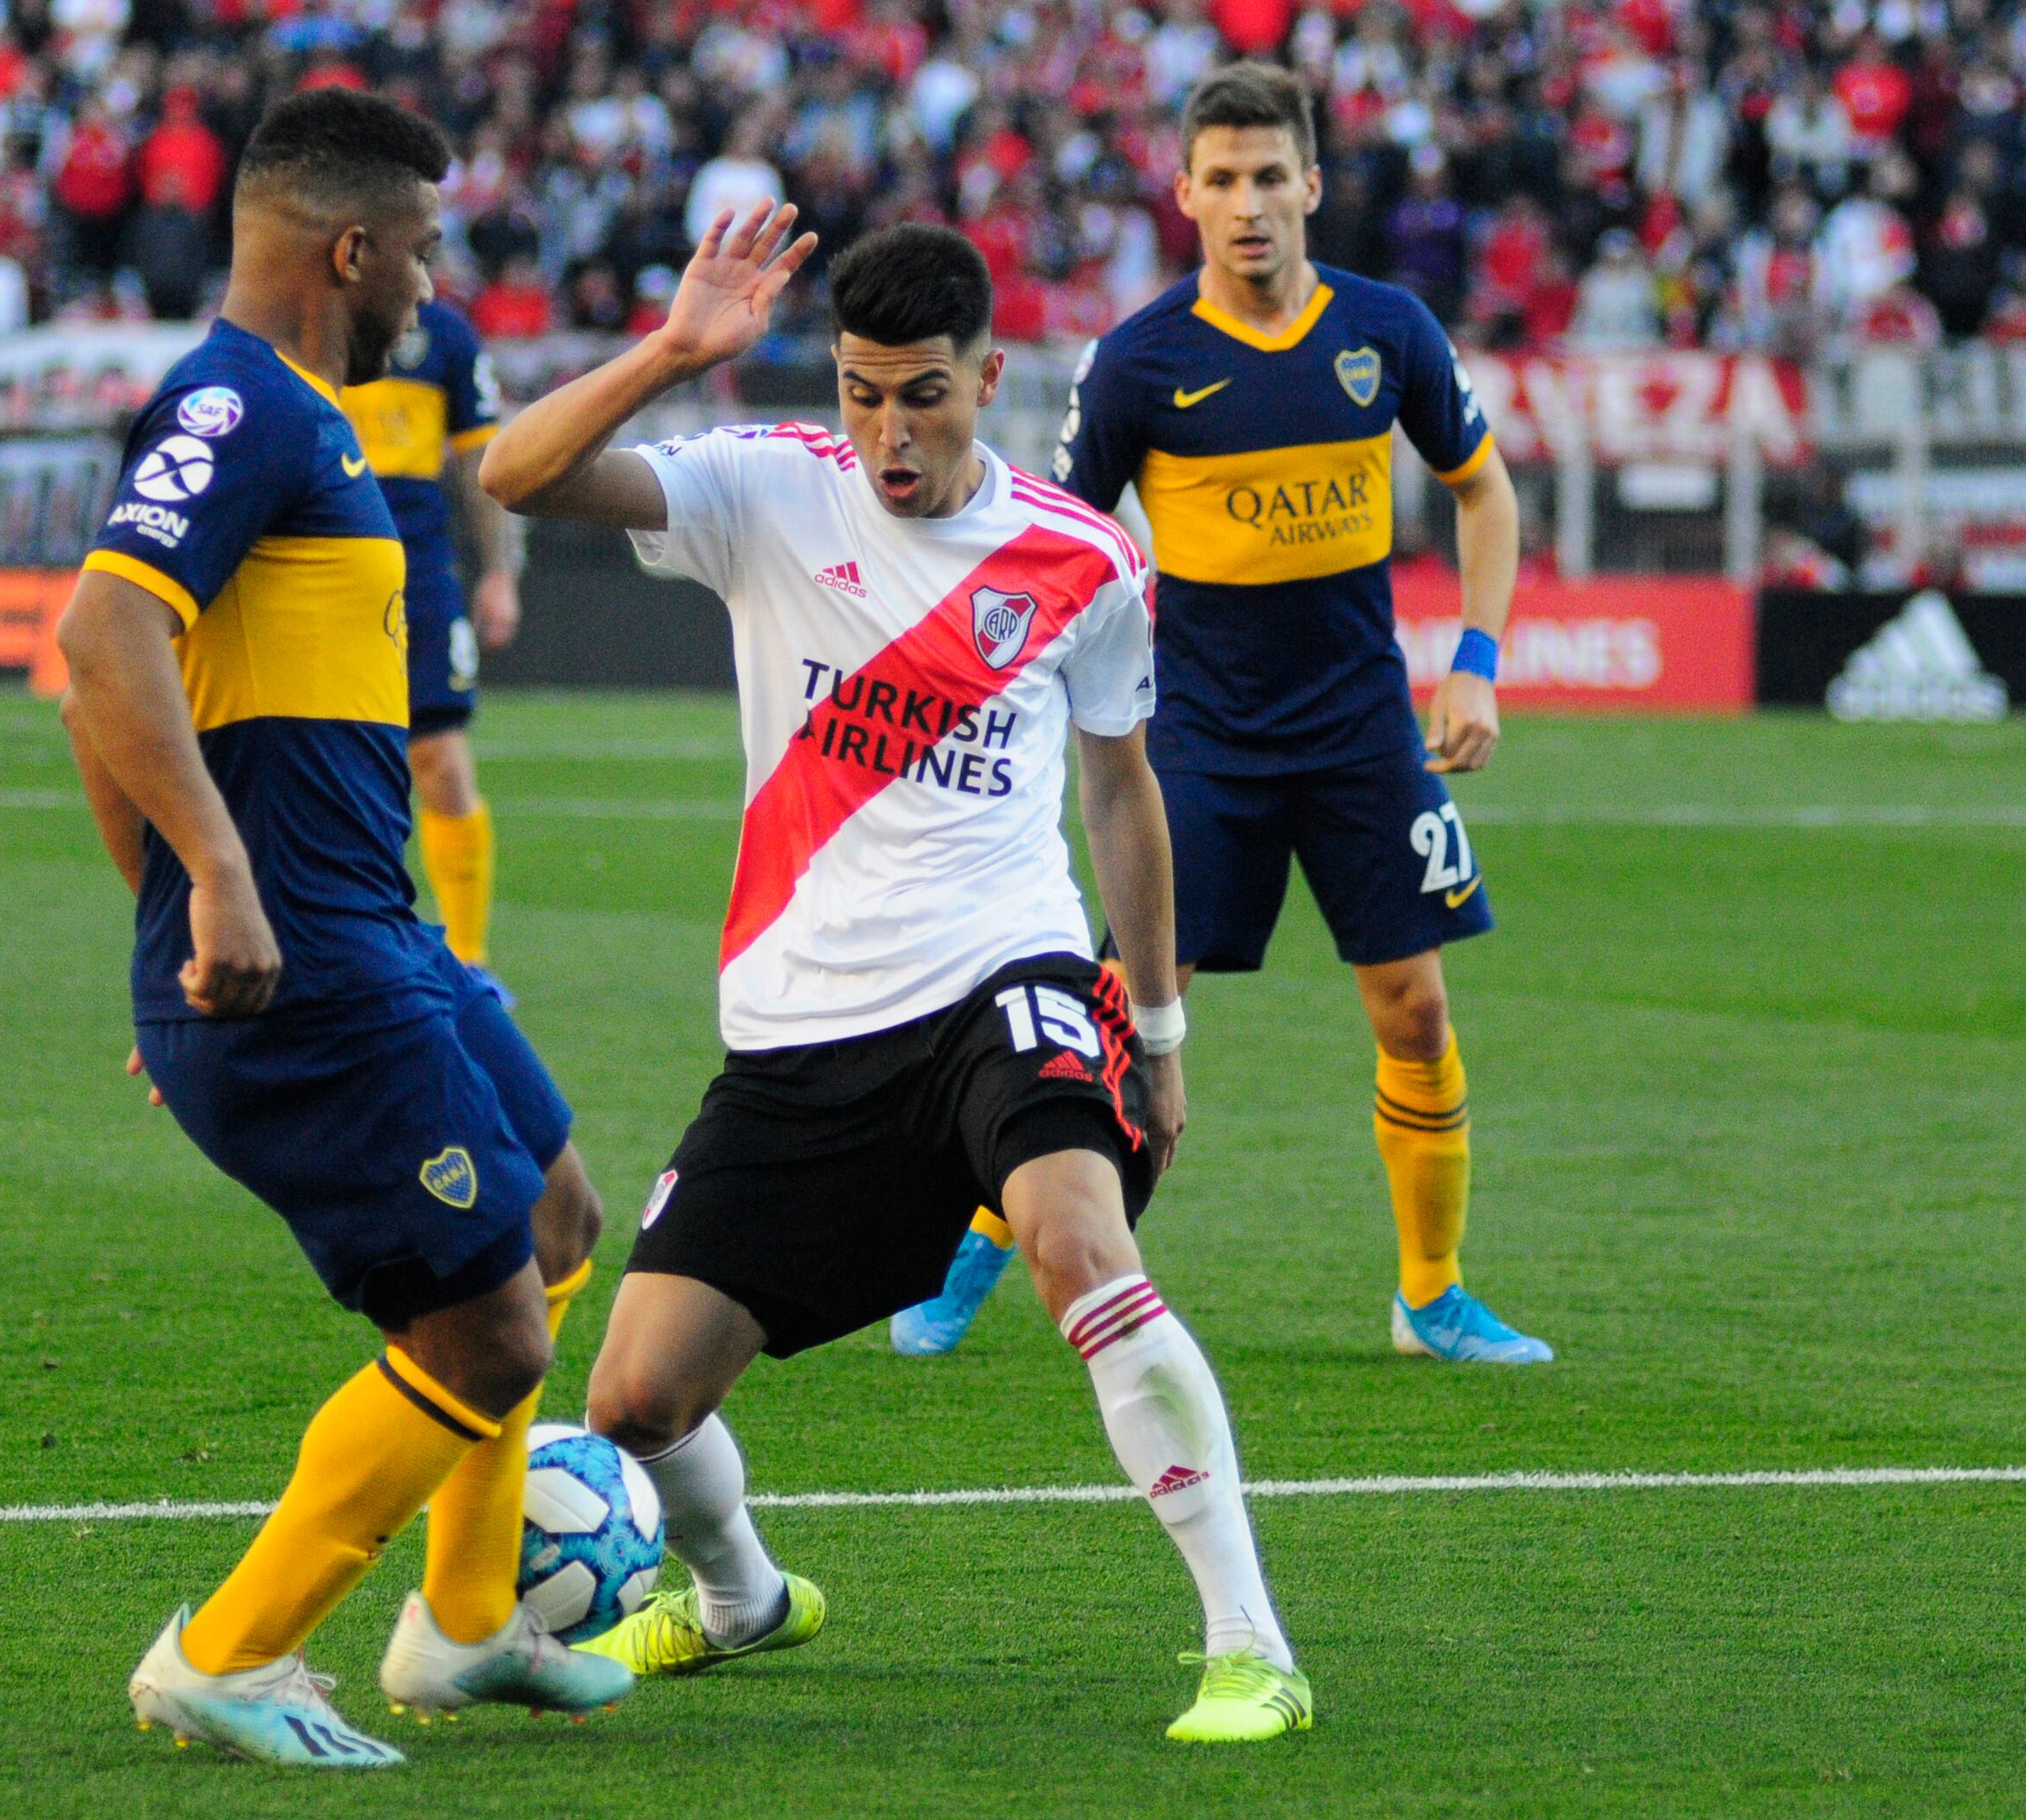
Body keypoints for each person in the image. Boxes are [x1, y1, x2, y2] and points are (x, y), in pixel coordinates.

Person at [482, 214, 1315, 1745]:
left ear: (986, 377)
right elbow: (512, 476)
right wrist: (676, 352)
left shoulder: (1080, 555)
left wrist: (1163, 1025)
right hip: (798, 1029)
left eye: (920, 393)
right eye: (863, 391)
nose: (887, 430)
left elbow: (1120, 790)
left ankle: (1248, 1641)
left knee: (1077, 1237)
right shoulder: (765, 489)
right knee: (633, 1404)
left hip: (1003, 976)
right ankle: (738, 1592)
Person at [62, 89, 631, 1771]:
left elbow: (96, 684)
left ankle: (462, 1628)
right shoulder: (234, 410)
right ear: (354, 249)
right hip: (309, 963)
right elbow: (98, 646)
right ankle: (225, 1650)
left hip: (381, 940)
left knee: (552, 1212)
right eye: (429, 246)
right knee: (489, 1329)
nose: (437, 281)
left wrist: (185, 898)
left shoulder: (303, 412)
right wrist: (210, 892)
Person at [904, 62, 1552, 1365]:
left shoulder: (1391, 334)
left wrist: (1476, 658)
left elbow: (1485, 495)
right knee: (1113, 1013)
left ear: (1312, 185)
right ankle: (977, 1248)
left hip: (1367, 732)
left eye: (1271, 177)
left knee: (1414, 1009)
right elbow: (1062, 536)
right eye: (1223, 180)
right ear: (1186, 194)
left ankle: (1431, 1297)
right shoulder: (1142, 361)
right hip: (1199, 733)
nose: (1249, 203)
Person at [340, 297, 523, 976]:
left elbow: (485, 465)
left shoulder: (444, 335)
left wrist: (499, 572)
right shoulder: (300, 317)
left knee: (440, 758)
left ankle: (468, 961)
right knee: (331, 768)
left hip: (417, 566)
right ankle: (347, 953)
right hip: (316, 562)